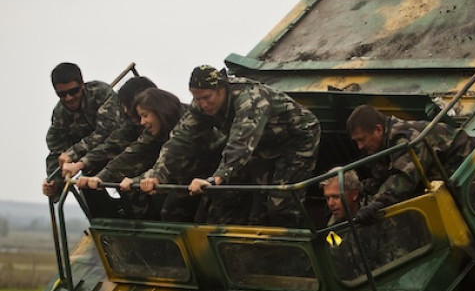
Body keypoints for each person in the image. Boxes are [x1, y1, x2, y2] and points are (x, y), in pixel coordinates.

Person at [140, 65, 321, 227]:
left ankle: (306, 253)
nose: (203, 104)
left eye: (206, 97)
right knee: (257, 211)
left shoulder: (250, 99)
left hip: (296, 140)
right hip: (262, 145)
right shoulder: (201, 105)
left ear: (221, 89)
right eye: (197, 98)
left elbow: (241, 144)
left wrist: (216, 178)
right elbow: (180, 140)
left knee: (281, 207)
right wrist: (157, 174)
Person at [346, 104, 475, 223]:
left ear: (378, 130)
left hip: (471, 167)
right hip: (446, 174)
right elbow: (383, 179)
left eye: (362, 139)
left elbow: (404, 178)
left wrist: (377, 203)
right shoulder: (379, 146)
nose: (360, 146)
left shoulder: (405, 137)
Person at [79, 88, 185, 219]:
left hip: (204, 178)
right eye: (140, 117)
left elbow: (171, 156)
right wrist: (101, 177)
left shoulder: (186, 124)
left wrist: (139, 180)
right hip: (182, 178)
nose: (142, 122)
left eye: (145, 115)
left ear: (159, 111)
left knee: (173, 211)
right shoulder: (157, 128)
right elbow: (134, 152)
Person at [43, 62, 122, 199]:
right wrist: (53, 183)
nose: (69, 98)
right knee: (86, 188)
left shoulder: (101, 93)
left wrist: (73, 153)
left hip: (120, 153)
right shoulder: (60, 115)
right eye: (62, 94)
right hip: (90, 165)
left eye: (73, 91)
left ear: (82, 85)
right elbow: (57, 152)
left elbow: (106, 132)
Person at [60, 76, 157, 178]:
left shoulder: (172, 123)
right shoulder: (132, 125)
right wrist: (80, 165)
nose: (126, 111)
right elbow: (112, 145)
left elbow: (134, 152)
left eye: (128, 105)